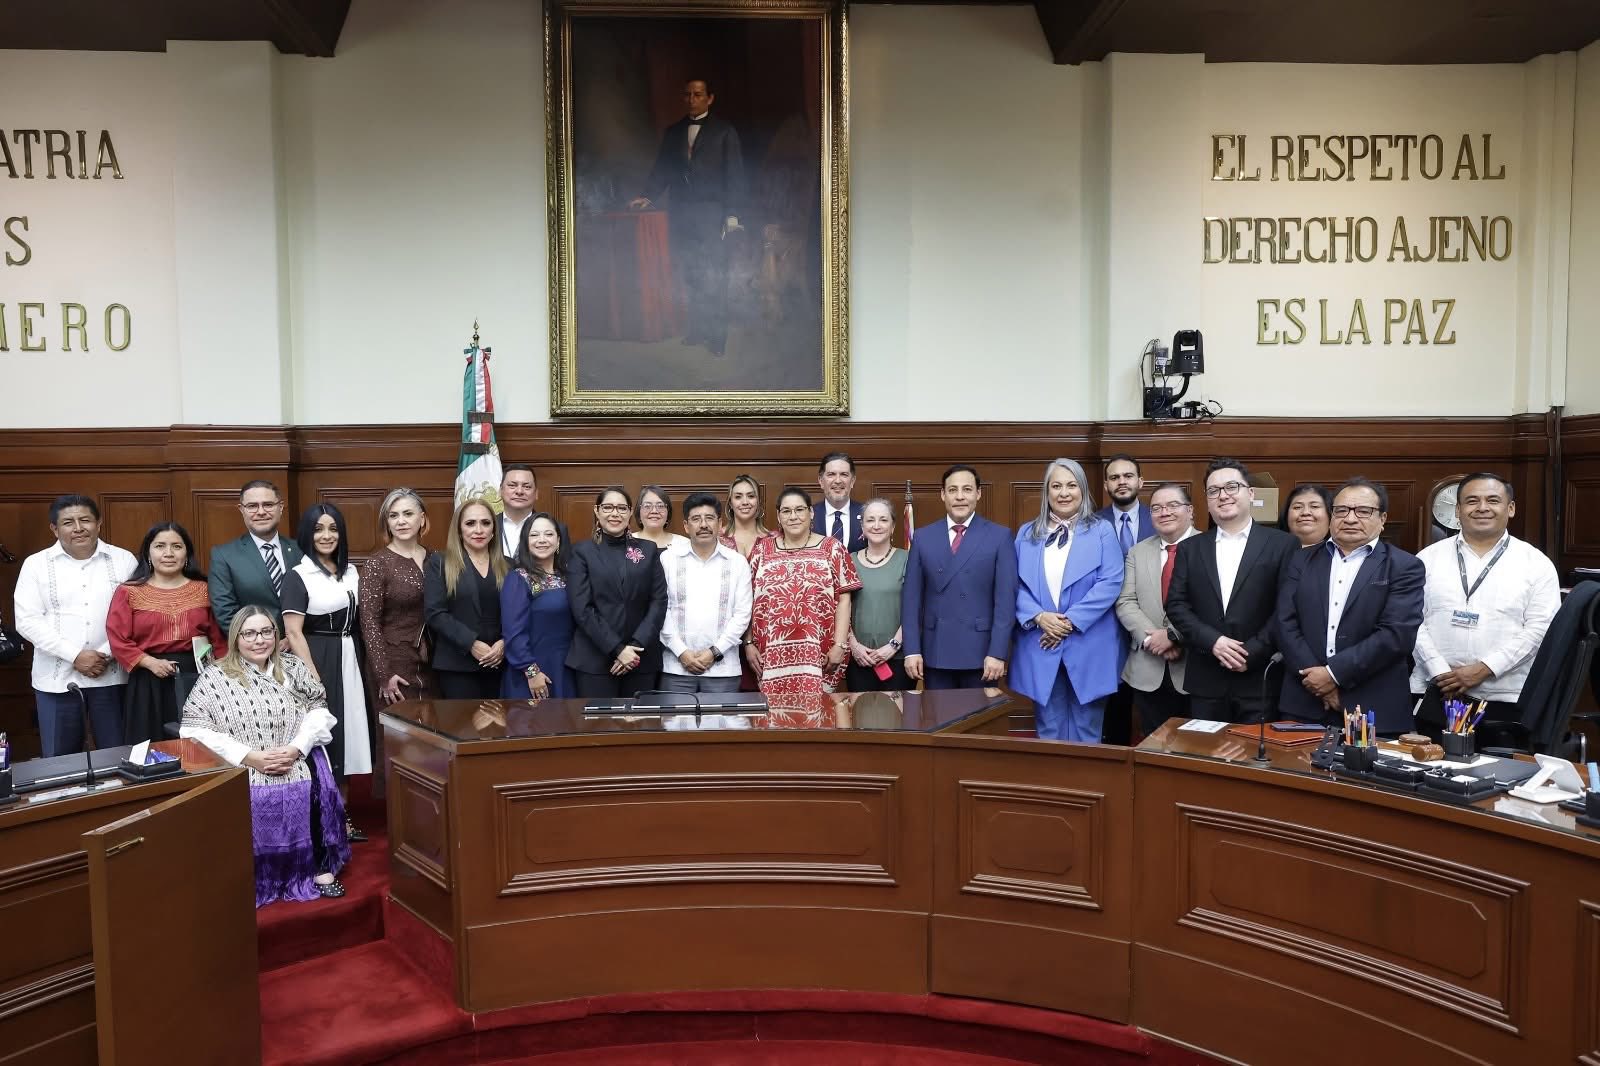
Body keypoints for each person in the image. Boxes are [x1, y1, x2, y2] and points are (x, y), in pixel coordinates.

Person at [179, 605, 350, 905]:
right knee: (252, 795)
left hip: (295, 754)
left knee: (312, 778)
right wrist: (248, 756)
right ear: (236, 638)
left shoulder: (294, 668)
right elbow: (194, 729)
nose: (259, 640)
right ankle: (256, 874)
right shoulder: (216, 676)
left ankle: (316, 865)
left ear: (275, 634)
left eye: (266, 632)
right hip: (243, 763)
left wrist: (297, 747)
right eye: (249, 633)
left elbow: (319, 710)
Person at [1410, 472, 1560, 736]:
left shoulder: (1536, 564)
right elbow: (1411, 620)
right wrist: (1440, 671)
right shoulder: (1427, 559)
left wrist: (1484, 669)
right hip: (1434, 691)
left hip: (1504, 695)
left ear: (1510, 508)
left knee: (1497, 773)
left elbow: (1540, 629)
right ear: (1457, 510)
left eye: (1492, 500)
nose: (1482, 508)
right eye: (1471, 501)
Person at [1276, 478, 1425, 733]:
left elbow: (1396, 635)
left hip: (1373, 704)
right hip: (1304, 700)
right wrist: (1315, 680)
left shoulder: (1404, 566)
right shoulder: (1301, 560)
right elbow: (1284, 622)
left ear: (1383, 518)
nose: (1351, 519)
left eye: (1363, 511)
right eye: (1342, 510)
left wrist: (1332, 675)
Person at [1165, 458, 1298, 722]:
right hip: (1206, 678)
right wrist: (1214, 642)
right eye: (1214, 491)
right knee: (1205, 758)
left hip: (1259, 677)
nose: (1223, 495)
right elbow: (1176, 605)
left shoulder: (1282, 544)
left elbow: (1286, 608)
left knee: (1256, 762)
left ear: (1250, 493)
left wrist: (1251, 652)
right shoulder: (1191, 548)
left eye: (1231, 487)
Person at [629, 77, 745, 356]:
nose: (692, 99)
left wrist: (732, 214)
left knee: (714, 275)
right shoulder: (673, 132)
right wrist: (648, 195)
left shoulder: (725, 132)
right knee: (691, 273)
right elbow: (662, 169)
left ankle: (717, 337)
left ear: (710, 98)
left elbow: (735, 175)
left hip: (712, 214)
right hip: (681, 213)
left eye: (698, 94)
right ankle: (697, 330)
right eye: (688, 95)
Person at [1011, 460, 1125, 742]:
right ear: (1046, 492)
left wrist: (1068, 623)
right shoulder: (1027, 533)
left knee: (1088, 728)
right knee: (1048, 728)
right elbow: (1012, 584)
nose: (1064, 492)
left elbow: (1110, 582)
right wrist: (1040, 617)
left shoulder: (1102, 530)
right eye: (1057, 485)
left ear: (1083, 490)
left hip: (1089, 643)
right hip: (1040, 640)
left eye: (1071, 485)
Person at [13, 495, 137, 755]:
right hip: (56, 680)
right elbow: (27, 621)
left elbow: (137, 614)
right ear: (54, 529)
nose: (78, 528)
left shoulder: (123, 560)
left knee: (120, 757)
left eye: (85, 520)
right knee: (59, 763)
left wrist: (104, 654)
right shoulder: (36, 565)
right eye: (68, 522)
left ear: (99, 523)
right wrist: (75, 656)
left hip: (113, 676)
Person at [281, 503, 372, 833]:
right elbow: (293, 632)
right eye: (318, 528)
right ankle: (326, 818)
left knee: (347, 735)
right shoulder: (298, 575)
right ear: (307, 533)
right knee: (325, 737)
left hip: (351, 654)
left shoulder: (350, 570)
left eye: (333, 528)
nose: (326, 535)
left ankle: (343, 813)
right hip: (319, 655)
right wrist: (313, 676)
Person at [106, 522, 225, 746]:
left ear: (187, 553)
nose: (168, 553)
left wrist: (221, 674)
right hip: (148, 679)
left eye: (177, 547)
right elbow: (117, 638)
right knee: (150, 749)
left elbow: (219, 638)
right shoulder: (128, 592)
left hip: (198, 677)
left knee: (199, 746)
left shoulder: (205, 589)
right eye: (160, 546)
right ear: (148, 553)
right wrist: (149, 662)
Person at [747, 487, 860, 715]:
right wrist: (748, 643)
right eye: (786, 511)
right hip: (771, 655)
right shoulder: (762, 549)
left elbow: (844, 599)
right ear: (778, 516)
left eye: (799, 510)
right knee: (776, 720)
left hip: (819, 655)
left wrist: (839, 645)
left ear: (811, 513)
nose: (793, 516)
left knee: (818, 718)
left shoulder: (832, 548)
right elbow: (746, 598)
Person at [902, 465, 1017, 690]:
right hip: (935, 652)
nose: (960, 496)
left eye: (967, 489)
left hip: (982, 654)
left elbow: (1006, 602)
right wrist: (912, 650)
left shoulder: (999, 536)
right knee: (941, 723)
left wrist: (998, 652)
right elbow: (911, 600)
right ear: (943, 494)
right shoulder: (923, 537)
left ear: (978, 493)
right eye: (953, 490)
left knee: (980, 724)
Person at [566, 487, 669, 698]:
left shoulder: (648, 550)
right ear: (597, 511)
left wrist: (634, 648)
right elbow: (582, 609)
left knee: (640, 728)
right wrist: (617, 649)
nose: (615, 513)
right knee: (599, 729)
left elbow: (658, 601)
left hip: (641, 659)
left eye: (622, 508)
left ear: (630, 512)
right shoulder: (581, 552)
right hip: (595, 660)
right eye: (608, 507)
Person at [1115, 483, 1200, 736]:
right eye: (1156, 508)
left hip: (1194, 667)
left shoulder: (1209, 547)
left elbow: (1211, 605)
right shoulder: (1137, 552)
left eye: (1173, 505)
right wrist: (1154, 639)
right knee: (1153, 745)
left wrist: (1173, 637)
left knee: (1195, 748)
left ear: (1190, 510)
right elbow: (1125, 601)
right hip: (1147, 667)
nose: (1165, 512)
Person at [660, 494, 753, 694]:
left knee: (721, 725)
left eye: (709, 518)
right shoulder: (668, 559)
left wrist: (714, 652)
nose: (703, 524)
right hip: (676, 668)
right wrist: (681, 652)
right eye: (696, 519)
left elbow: (742, 614)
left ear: (720, 523)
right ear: (686, 526)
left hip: (724, 670)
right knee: (675, 724)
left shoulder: (737, 563)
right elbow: (660, 609)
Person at [424, 497, 508, 698]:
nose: (478, 530)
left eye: (485, 523)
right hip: (457, 666)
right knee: (463, 728)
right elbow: (435, 613)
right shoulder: (440, 563)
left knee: (499, 729)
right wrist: (471, 643)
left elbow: (518, 613)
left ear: (494, 529)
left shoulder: (510, 565)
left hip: (501, 663)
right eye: (470, 523)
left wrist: (505, 643)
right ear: (459, 530)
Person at [360, 488, 433, 711]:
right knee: (399, 739)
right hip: (393, 664)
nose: (401, 521)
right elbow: (369, 622)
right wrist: (383, 674)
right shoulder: (377, 564)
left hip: (433, 664)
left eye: (408, 514)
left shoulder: (436, 558)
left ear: (422, 518)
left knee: (436, 737)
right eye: (393, 516)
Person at [209, 480, 304, 632]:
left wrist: (293, 639)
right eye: (252, 506)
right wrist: (261, 641)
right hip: (253, 648)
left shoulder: (301, 550)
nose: (261, 512)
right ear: (241, 510)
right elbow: (226, 613)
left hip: (301, 646)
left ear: (280, 507)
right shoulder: (224, 556)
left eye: (268, 505)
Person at [501, 513, 577, 700]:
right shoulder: (519, 578)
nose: (542, 540)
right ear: (525, 541)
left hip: (567, 667)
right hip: (532, 672)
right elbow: (513, 632)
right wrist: (531, 671)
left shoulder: (569, 577)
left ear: (558, 541)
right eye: (534, 535)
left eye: (548, 534)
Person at [847, 499, 909, 692]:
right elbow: (838, 609)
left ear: (892, 527)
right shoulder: (849, 561)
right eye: (870, 520)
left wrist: (893, 646)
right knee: (860, 720)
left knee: (897, 721)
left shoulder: (908, 559)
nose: (876, 525)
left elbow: (916, 608)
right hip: (858, 660)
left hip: (897, 659)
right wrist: (854, 646)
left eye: (883, 520)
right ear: (863, 527)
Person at [1096, 454, 1156, 554]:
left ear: (1140, 482)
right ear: (1106, 486)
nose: (1122, 482)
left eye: (1128, 476)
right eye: (1114, 478)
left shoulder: (1158, 517)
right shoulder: (1094, 523)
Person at [812, 452, 866, 553]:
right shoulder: (808, 515)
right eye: (831, 474)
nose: (837, 481)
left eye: (844, 475)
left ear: (853, 481)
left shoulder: (866, 513)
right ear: (820, 480)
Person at [722, 473, 771, 560]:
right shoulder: (717, 538)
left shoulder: (772, 539)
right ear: (730, 503)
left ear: (758, 501)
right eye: (738, 497)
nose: (745, 502)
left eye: (751, 496)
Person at [497, 464, 539, 558]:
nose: (519, 491)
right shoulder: (487, 526)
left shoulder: (556, 530)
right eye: (512, 485)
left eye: (527, 487)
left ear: (536, 493)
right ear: (500, 491)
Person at [635, 485, 689, 553]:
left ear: (668, 512)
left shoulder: (684, 544)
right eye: (647, 506)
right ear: (638, 511)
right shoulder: (627, 543)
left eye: (660, 506)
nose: (654, 511)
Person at [1281, 483, 1333, 548]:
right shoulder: (1272, 550)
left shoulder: (1340, 553)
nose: (1305, 512)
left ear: (1330, 515)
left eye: (1314, 506)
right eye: (1297, 507)